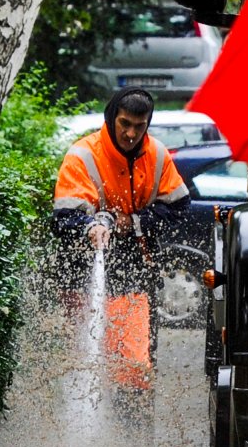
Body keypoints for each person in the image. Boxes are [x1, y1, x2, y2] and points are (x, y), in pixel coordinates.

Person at [52, 87, 190, 395]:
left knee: (133, 367)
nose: (130, 133)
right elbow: (63, 218)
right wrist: (90, 226)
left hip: (132, 271)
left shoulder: (156, 155)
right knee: (81, 363)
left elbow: (178, 206)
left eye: (139, 127)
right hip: (81, 272)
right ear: (112, 117)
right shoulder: (83, 155)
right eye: (124, 124)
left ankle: (133, 433)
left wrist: (134, 223)